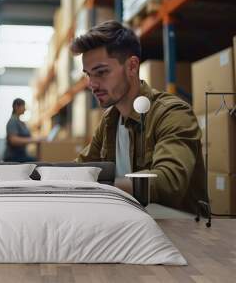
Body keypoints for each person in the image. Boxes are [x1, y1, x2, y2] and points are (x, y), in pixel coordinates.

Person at [71, 20, 206, 212]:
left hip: (180, 230)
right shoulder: (110, 121)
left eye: (101, 72)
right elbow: (82, 167)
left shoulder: (172, 113)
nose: (92, 84)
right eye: (88, 74)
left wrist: (101, 186)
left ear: (132, 66)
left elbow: (169, 182)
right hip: (132, 222)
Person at [3, 98, 42, 162]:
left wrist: (38, 138)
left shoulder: (20, 122)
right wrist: (33, 140)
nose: (25, 109)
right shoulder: (12, 121)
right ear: (16, 107)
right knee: (37, 163)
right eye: (23, 106)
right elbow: (13, 140)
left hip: (21, 155)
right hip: (13, 157)